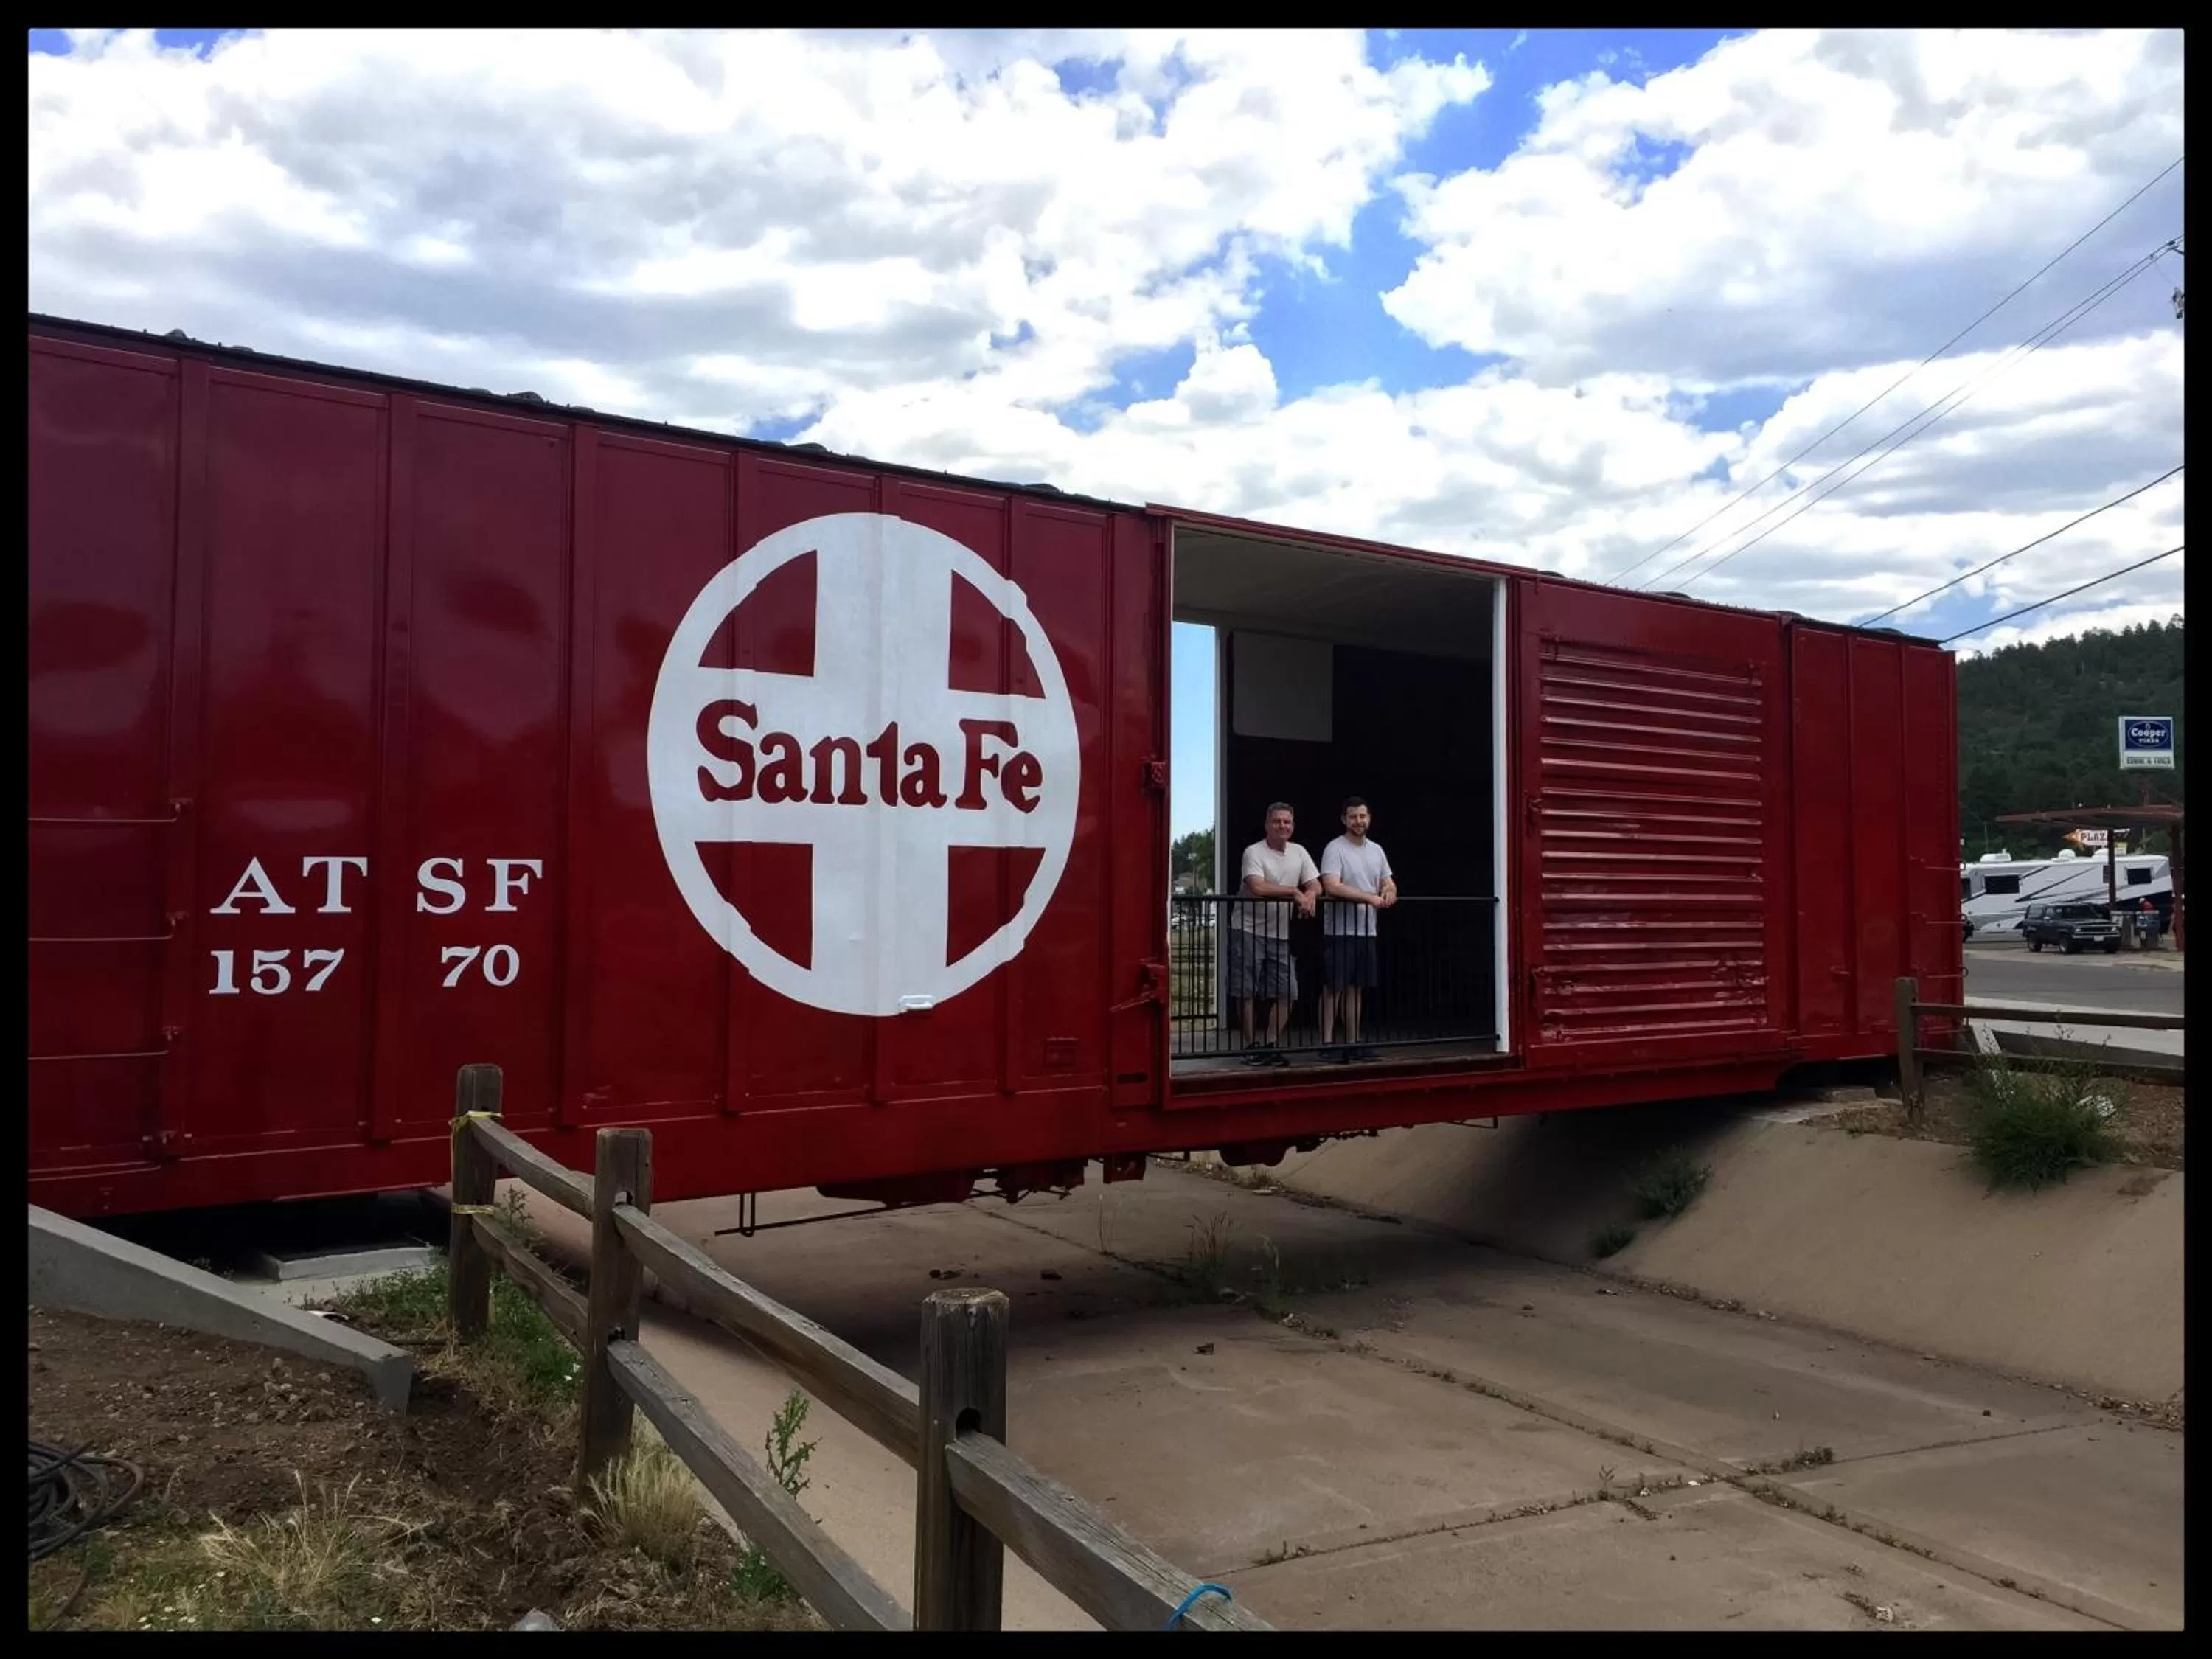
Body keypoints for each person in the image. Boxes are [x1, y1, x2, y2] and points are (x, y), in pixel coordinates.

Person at [1232, 802, 1319, 1066]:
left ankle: (1270, 1044)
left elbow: (1316, 883)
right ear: (1267, 824)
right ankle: (1251, 1047)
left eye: (1287, 822)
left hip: (1280, 933)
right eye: (1277, 821)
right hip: (1248, 928)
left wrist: (1310, 894)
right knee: (1246, 990)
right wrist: (1294, 892)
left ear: (1293, 826)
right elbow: (1257, 886)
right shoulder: (1253, 851)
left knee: (1287, 991)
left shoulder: (1299, 851)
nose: (1283, 826)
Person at [1318, 796, 1395, 1062]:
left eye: (1362, 816)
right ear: (1344, 819)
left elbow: (1388, 881)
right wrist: (1369, 897)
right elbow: (1332, 885)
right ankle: (1327, 1043)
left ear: (1369, 818)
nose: (1358, 821)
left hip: (1366, 930)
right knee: (1334, 987)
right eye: (1353, 817)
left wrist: (1389, 891)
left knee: (1356, 988)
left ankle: (1353, 1042)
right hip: (1339, 931)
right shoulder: (1335, 848)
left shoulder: (1376, 850)